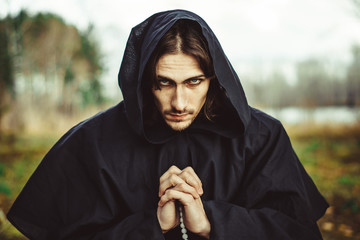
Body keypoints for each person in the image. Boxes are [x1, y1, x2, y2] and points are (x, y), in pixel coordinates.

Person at [7, 9, 328, 239]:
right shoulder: (92, 143)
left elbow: (295, 230)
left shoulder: (260, 137)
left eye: (193, 82)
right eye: (164, 82)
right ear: (145, 81)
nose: (179, 102)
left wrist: (210, 223)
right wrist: (152, 226)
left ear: (214, 81)